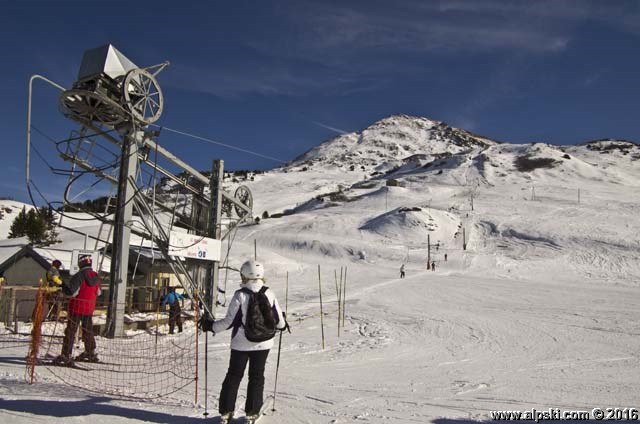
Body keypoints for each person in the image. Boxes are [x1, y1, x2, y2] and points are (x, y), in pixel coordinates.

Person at [199, 259, 287, 423]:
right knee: (256, 376)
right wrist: (282, 325)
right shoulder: (269, 293)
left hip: (241, 343)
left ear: (244, 275)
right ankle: (252, 413)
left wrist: (210, 326)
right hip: (264, 343)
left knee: (233, 375)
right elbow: (279, 321)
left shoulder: (240, 295)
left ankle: (226, 412)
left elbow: (228, 322)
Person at [55, 255, 101, 365]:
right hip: (89, 307)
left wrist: (63, 286)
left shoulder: (79, 276)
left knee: (71, 331)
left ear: (81, 264)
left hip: (76, 307)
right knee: (88, 330)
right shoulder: (96, 276)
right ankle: (90, 351)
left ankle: (66, 354)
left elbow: (72, 292)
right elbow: (99, 292)